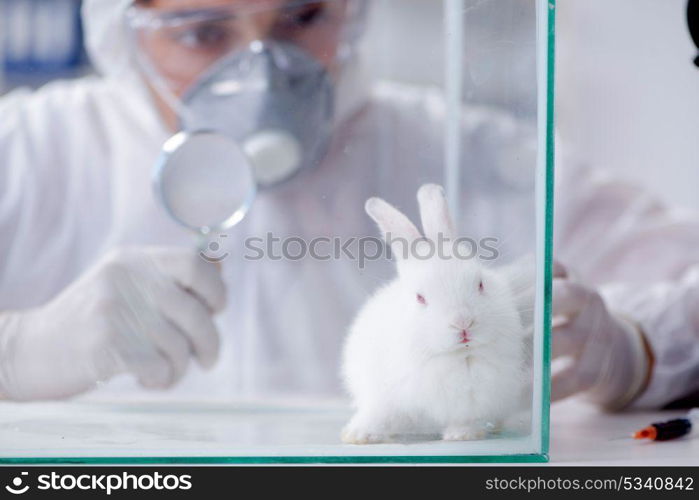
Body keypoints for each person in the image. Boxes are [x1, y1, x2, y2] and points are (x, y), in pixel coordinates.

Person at [0, 0, 697, 412]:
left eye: (302, 16)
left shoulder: (467, 156)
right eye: (200, 31)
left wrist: (634, 349)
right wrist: (19, 350)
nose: (262, 66)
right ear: (123, 34)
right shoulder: (32, 151)